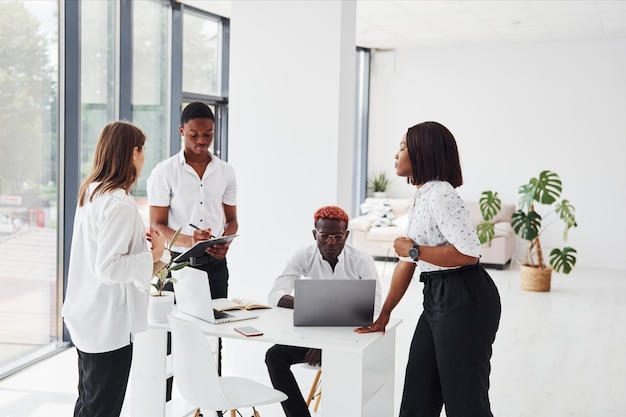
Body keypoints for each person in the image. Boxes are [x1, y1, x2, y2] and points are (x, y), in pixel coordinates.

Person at [356, 121, 501, 417]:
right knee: (418, 399)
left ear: (422, 152)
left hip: (464, 297)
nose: (396, 155)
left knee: (465, 404)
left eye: (402, 147)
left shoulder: (441, 195)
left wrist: (414, 250)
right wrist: (384, 314)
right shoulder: (422, 195)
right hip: (438, 296)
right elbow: (407, 262)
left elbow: (468, 253)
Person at [62, 121, 167, 417]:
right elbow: (108, 268)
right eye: (143, 150)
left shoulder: (92, 193)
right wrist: (154, 253)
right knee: (101, 409)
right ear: (134, 152)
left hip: (89, 317)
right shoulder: (119, 203)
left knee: (89, 404)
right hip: (108, 326)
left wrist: (157, 257)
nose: (144, 157)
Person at [265, 205, 382, 417]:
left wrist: (327, 346)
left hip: (349, 341)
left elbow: (373, 308)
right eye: (324, 236)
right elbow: (275, 295)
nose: (331, 242)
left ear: (346, 235)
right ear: (314, 234)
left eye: (338, 236)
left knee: (343, 363)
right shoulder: (303, 255)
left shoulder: (361, 260)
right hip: (312, 337)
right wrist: (313, 305)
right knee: (274, 356)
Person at [147, 101, 238, 299]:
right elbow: (156, 225)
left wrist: (225, 243)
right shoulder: (164, 172)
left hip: (216, 266)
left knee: (217, 326)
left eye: (208, 134)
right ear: (182, 130)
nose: (201, 140)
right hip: (178, 264)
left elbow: (232, 221)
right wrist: (191, 241)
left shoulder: (226, 172)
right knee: (176, 328)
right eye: (193, 134)